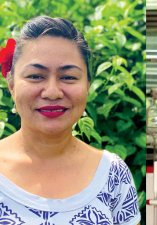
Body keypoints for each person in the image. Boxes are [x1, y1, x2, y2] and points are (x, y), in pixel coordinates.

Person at [0, 16, 141, 224]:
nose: (52, 92)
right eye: (36, 76)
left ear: (87, 86)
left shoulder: (113, 175)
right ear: (11, 85)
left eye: (68, 77)